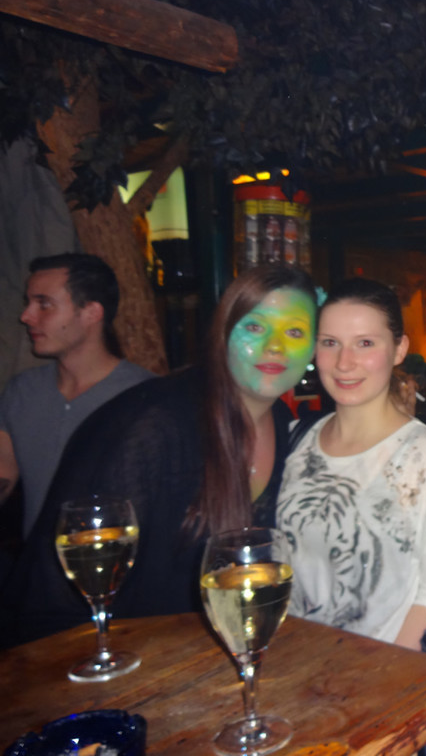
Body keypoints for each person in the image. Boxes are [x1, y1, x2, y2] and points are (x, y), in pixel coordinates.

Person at [2, 265, 316, 646]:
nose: (276, 347)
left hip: (213, 655)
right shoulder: (153, 425)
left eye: (295, 332)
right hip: (113, 654)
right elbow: (59, 591)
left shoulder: (286, 426)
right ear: (222, 333)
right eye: (254, 326)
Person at [276, 278, 426, 650]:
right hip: (292, 664)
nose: (344, 363)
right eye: (330, 343)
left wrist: (386, 676)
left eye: (365, 343)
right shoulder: (295, 439)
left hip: (381, 672)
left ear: (399, 349)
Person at [0, 253, 152, 538]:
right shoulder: (23, 390)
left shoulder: (143, 396)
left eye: (44, 304)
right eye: (28, 303)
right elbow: (3, 474)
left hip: (116, 559)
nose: (26, 316)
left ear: (91, 313)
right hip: (36, 563)